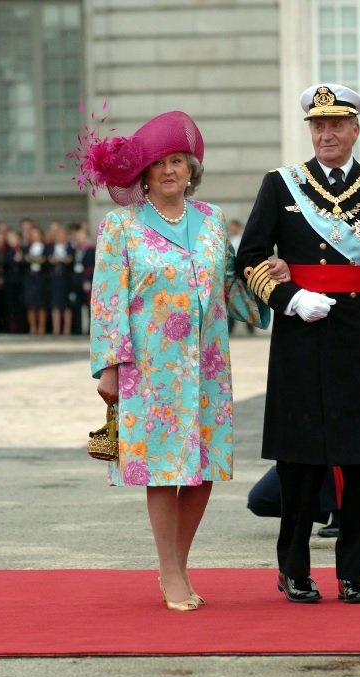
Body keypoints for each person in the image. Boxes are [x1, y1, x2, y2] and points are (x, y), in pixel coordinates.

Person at [71, 110, 287, 612]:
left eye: (178, 161)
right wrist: (109, 366)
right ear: (143, 174)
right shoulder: (120, 227)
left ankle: (179, 562)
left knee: (203, 470)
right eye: (159, 163)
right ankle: (169, 571)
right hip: (151, 369)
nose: (169, 170)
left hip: (208, 366)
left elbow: (233, 289)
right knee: (165, 470)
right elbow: (107, 299)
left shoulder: (211, 221)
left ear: (192, 170)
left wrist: (269, 278)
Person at [236, 83, 360, 604]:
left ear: (353, 131)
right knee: (300, 460)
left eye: (336, 125)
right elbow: (250, 257)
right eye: (318, 126)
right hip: (302, 336)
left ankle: (355, 571)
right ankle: (293, 569)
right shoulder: (282, 184)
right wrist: (288, 298)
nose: (326, 133)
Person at [247, 465, 341, 536]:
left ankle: (344, 516)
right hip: (301, 452)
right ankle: (329, 506)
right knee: (259, 500)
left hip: (335, 454)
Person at [227, 219, 254, 336]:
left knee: (246, 302)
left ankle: (250, 328)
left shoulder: (241, 240)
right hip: (233, 275)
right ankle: (231, 328)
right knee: (232, 302)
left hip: (242, 275)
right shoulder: (229, 240)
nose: (233, 230)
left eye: (234, 227)